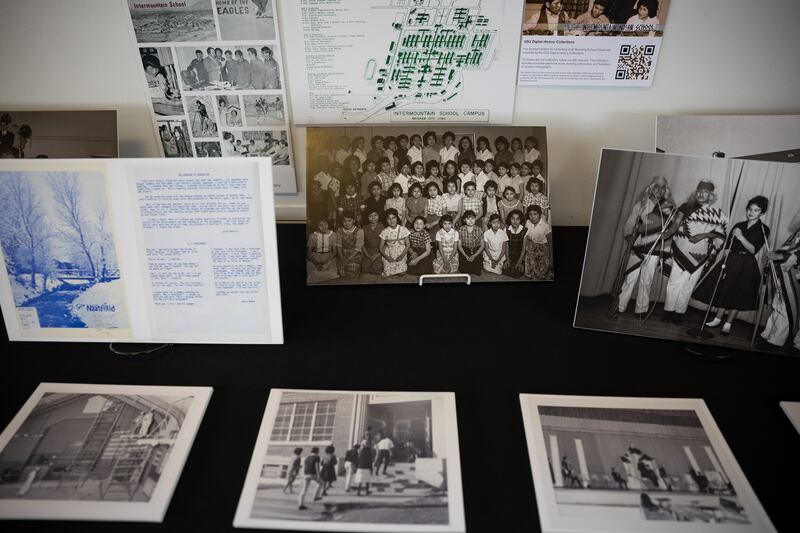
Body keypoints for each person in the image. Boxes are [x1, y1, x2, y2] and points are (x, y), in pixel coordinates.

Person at [694, 196, 770, 335]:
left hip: (747, 263)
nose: (751, 212)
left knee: (738, 293)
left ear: (762, 213)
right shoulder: (739, 225)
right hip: (732, 259)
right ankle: (717, 318)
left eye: (756, 210)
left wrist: (741, 237)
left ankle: (728, 323)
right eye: (750, 209)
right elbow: (728, 245)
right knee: (725, 288)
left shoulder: (764, 229)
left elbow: (753, 249)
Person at [662, 181, 728, 324]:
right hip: (680, 249)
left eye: (705, 192)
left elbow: (721, 233)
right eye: (698, 191)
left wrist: (703, 235)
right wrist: (666, 234)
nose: (700, 194)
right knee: (674, 282)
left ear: (711, 196)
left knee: (688, 285)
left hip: (699, 254)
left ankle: (679, 313)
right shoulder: (686, 206)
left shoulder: (715, 214)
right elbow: (676, 224)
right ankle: (668, 311)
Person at [612, 176, 674, 318]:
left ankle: (641, 310)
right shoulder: (640, 205)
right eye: (656, 186)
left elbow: (671, 229)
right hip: (638, 248)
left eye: (662, 187)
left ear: (665, 190)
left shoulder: (668, 209)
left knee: (646, 281)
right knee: (630, 279)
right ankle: (619, 307)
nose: (659, 189)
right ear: (651, 187)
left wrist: (667, 235)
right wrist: (629, 237)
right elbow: (629, 224)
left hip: (654, 249)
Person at [760, 214, 800, 349]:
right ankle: (770, 334)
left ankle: (777, 341)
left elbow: (796, 254)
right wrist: (775, 255)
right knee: (781, 303)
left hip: (796, 274)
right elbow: (791, 248)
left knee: (789, 306)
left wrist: (780, 256)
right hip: (787, 272)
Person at [522, 205, 554, 280]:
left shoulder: (546, 226)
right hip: (532, 246)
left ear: (540, 214)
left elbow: (550, 243)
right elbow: (526, 237)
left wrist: (551, 258)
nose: (532, 217)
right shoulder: (528, 223)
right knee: (529, 273)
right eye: (530, 214)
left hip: (543, 248)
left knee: (541, 273)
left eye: (535, 214)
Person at [379, 209, 411, 277]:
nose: (391, 221)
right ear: (386, 220)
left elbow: (408, 245)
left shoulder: (403, 229)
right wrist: (387, 257)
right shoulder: (385, 231)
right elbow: (381, 248)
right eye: (389, 219)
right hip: (389, 253)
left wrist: (402, 256)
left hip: (401, 252)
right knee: (387, 273)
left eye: (393, 218)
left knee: (402, 272)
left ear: (397, 218)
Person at [307, 219, 339, 283]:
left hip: (329, 257)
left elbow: (334, 253)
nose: (324, 227)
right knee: (309, 266)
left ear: (328, 225)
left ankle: (317, 276)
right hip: (315, 257)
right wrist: (316, 263)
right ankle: (319, 275)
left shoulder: (333, 235)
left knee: (334, 273)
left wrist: (324, 263)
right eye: (321, 225)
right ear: (317, 226)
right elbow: (309, 253)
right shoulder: (312, 236)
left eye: (325, 224)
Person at [336, 211, 364, 278]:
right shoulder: (339, 230)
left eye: (349, 221)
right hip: (343, 254)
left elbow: (358, 248)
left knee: (352, 273)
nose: (346, 223)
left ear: (354, 221)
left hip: (355, 254)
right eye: (344, 221)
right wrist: (342, 258)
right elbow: (339, 245)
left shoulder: (359, 231)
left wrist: (348, 260)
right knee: (342, 273)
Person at [458, 210, 483, 275]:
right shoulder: (461, 229)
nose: (471, 220)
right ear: (464, 220)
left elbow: (482, 246)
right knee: (463, 270)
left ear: (475, 219)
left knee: (476, 271)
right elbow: (459, 246)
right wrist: (465, 255)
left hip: (476, 251)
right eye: (468, 219)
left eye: (472, 218)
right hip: (465, 251)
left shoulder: (479, 229)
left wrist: (475, 255)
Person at [503, 210, 527, 278]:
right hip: (510, 255)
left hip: (520, 256)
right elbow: (506, 246)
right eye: (513, 218)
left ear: (521, 220)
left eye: (517, 219)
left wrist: (519, 261)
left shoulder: (524, 230)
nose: (515, 221)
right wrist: (507, 259)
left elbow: (523, 248)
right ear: (509, 219)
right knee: (506, 271)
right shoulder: (506, 229)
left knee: (518, 273)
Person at [361, 208, 385, 275]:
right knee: (365, 269)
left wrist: (377, 255)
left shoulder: (382, 226)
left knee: (376, 269)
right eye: (370, 216)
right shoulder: (364, 228)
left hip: (379, 251)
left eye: (375, 215)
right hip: (367, 251)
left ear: (379, 215)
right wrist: (367, 255)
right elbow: (362, 244)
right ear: (367, 217)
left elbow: (385, 244)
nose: (373, 218)